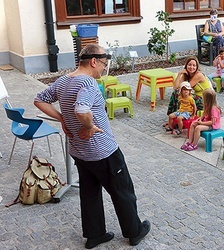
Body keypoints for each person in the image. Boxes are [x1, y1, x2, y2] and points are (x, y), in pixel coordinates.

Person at [33, 44, 150, 249]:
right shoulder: (87, 82)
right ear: (94, 61)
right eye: (104, 64)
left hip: (79, 152)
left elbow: (39, 100)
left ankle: (95, 235)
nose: (104, 69)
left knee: (89, 193)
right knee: (123, 190)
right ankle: (135, 231)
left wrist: (62, 118)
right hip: (103, 151)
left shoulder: (63, 81)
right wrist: (88, 126)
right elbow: (81, 109)